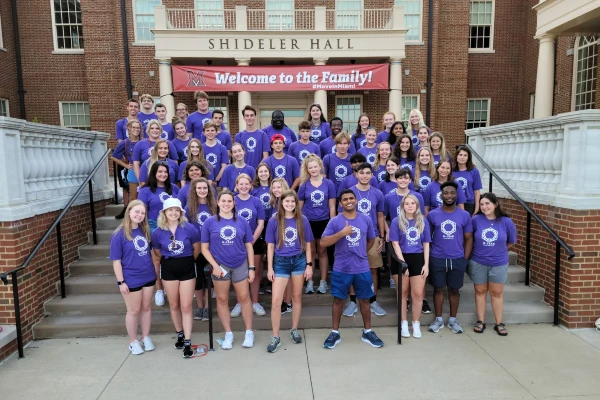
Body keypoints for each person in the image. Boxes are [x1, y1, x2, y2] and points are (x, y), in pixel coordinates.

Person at [321, 189, 384, 349]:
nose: (348, 201)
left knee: (365, 300)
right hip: (341, 267)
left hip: (362, 267)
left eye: (351, 198)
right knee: (338, 300)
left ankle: (367, 331)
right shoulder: (335, 221)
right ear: (340, 203)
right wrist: (341, 233)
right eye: (345, 199)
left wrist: (361, 252)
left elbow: (371, 240)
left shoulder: (366, 219)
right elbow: (323, 243)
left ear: (355, 200)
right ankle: (335, 332)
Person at [201, 190, 256, 349]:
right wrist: (215, 266)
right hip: (220, 266)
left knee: (244, 297)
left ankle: (249, 332)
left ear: (234, 203)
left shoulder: (242, 221)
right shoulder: (210, 222)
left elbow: (249, 246)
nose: (226, 204)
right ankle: (229, 333)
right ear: (218, 203)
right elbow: (204, 248)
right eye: (223, 201)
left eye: (229, 201)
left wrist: (251, 267)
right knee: (222, 299)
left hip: (240, 263)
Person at [151, 198, 201, 358]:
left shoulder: (189, 228)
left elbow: (197, 248)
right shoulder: (158, 232)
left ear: (181, 212)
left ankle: (187, 341)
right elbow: (157, 252)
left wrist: (185, 259)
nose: (173, 213)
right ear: (164, 212)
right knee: (173, 304)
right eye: (170, 210)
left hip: (186, 265)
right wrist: (171, 257)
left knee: (186, 306)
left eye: (176, 210)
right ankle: (179, 333)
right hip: (168, 267)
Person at [265, 190, 314, 352]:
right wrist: (270, 267)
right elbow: (270, 245)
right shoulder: (274, 220)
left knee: (296, 297)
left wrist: (309, 264)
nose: (290, 204)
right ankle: (275, 336)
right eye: (287, 202)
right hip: (281, 262)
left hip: (299, 261)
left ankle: (294, 329)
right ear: (281, 203)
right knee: (276, 301)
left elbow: (308, 244)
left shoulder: (302, 219)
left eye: (293, 202)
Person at [109, 200, 156, 355]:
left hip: (148, 275)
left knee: (146, 307)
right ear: (129, 212)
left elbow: (150, 253)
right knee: (134, 310)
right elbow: (116, 261)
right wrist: (121, 282)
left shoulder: (145, 230)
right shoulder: (119, 235)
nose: (139, 215)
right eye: (136, 212)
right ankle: (133, 341)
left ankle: (145, 337)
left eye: (142, 213)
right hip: (130, 278)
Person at [340, 163, 386, 317]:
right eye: (362, 173)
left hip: (371, 235)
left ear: (372, 175)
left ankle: (372, 300)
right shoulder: (350, 192)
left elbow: (380, 216)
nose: (365, 175)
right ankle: (353, 301)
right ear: (356, 175)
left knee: (373, 268)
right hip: (352, 235)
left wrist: (381, 236)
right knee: (352, 269)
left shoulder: (378, 193)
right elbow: (343, 215)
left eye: (368, 173)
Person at [426, 181, 473, 334]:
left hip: (457, 258)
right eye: (446, 193)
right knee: (438, 289)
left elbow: (468, 238)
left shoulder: (464, 215)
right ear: (441, 195)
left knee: (454, 290)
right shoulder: (433, 214)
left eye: (452, 193)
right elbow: (427, 238)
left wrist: (464, 258)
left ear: (457, 194)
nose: (449, 196)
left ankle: (453, 319)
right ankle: (438, 319)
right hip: (437, 257)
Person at [383, 168, 430, 313]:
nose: (403, 180)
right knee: (398, 265)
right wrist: (388, 230)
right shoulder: (389, 197)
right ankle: (405, 301)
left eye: (406, 178)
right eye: (400, 178)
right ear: (395, 180)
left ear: (410, 180)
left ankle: (421, 299)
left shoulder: (417, 196)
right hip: (397, 234)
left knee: (419, 276)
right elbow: (384, 217)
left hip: (415, 240)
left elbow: (421, 216)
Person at [469, 193, 516, 336]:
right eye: (482, 204)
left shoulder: (506, 222)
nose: (484, 207)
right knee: (480, 291)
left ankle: (499, 323)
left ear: (496, 204)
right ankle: (480, 321)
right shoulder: (476, 220)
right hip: (478, 261)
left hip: (498, 262)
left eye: (487, 203)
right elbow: (470, 239)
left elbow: (511, 241)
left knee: (496, 293)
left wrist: (499, 251)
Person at [138, 162, 179, 306]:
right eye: (160, 171)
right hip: (153, 226)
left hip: (172, 226)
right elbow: (141, 212)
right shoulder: (145, 190)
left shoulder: (174, 188)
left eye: (165, 172)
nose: (163, 174)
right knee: (156, 260)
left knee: (171, 257)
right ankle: (159, 289)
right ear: (154, 173)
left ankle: (170, 286)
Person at [389, 194, 431, 338]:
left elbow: (426, 244)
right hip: (401, 258)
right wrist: (403, 264)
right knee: (403, 293)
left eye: (413, 203)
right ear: (402, 206)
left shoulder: (423, 221)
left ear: (417, 205)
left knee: (418, 294)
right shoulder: (396, 221)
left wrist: (426, 264)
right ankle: (404, 323)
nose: (410, 206)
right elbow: (395, 243)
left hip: (418, 258)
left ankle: (416, 323)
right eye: (407, 203)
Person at [298, 154, 336, 294]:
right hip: (308, 222)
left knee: (322, 251)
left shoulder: (329, 183)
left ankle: (323, 281)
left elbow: (332, 206)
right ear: (307, 170)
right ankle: (309, 281)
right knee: (311, 252)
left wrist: (332, 224)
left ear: (320, 166)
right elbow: (299, 207)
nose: (313, 169)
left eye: (315, 166)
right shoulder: (304, 185)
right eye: (310, 168)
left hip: (325, 221)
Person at [230, 174, 266, 317]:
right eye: (241, 184)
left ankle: (255, 302)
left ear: (251, 186)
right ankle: (240, 302)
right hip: (236, 242)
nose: (244, 187)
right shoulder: (232, 200)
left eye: (247, 184)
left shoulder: (256, 201)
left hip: (254, 242)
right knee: (240, 275)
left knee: (255, 273)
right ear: (237, 185)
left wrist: (251, 240)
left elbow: (261, 223)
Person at [185, 178, 217, 322]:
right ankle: (200, 307)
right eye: (199, 188)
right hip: (196, 248)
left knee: (211, 278)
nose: (202, 190)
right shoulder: (189, 208)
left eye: (205, 188)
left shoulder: (215, 207)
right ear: (194, 190)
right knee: (197, 279)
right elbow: (184, 228)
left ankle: (208, 306)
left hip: (212, 248)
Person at [111, 119, 143, 218]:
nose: (136, 129)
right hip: (133, 171)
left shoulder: (144, 142)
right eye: (134, 127)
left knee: (143, 196)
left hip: (144, 171)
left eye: (138, 128)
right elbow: (113, 156)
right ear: (129, 128)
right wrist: (126, 166)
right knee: (133, 197)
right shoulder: (124, 143)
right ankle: (132, 218)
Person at [453, 145, 483, 216]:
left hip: (469, 204)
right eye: (460, 155)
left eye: (465, 155)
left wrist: (477, 208)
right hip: (454, 203)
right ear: (456, 156)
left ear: (468, 158)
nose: (462, 157)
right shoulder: (451, 170)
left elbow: (476, 191)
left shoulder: (474, 171)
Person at [201, 121, 229, 186]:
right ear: (204, 133)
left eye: (212, 130)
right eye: (207, 130)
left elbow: (224, 166)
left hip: (219, 183)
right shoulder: (200, 148)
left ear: (216, 132)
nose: (210, 132)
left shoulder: (222, 148)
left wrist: (216, 179)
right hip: (204, 182)